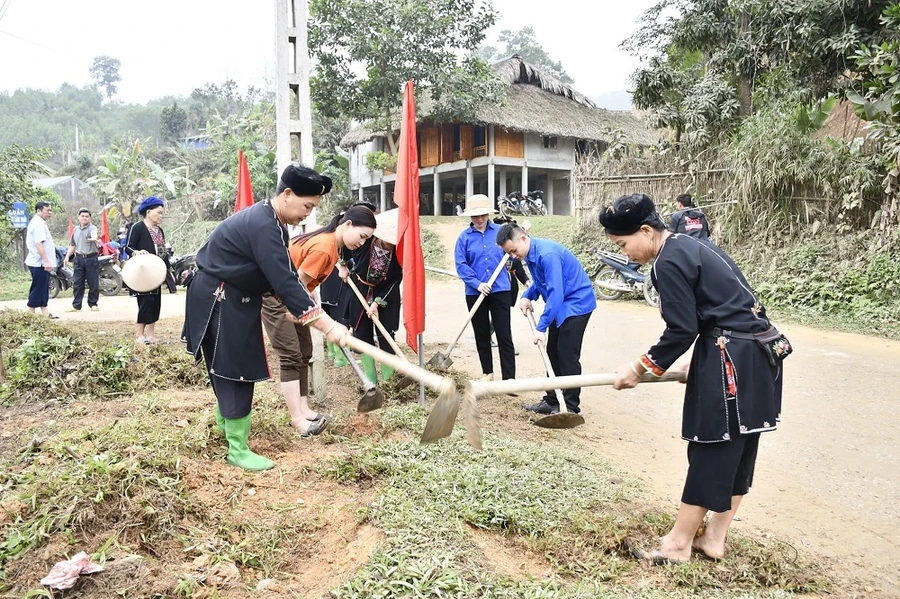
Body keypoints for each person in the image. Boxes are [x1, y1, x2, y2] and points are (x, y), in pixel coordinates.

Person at [599, 193, 786, 564]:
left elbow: (682, 330)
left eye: (624, 244)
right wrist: (695, 366)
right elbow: (727, 309)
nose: (626, 253)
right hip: (761, 353)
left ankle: (678, 545)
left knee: (712, 448)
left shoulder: (667, 262)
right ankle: (714, 537)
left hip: (730, 357)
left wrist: (639, 369)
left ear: (647, 231)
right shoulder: (694, 245)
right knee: (739, 448)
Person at [183, 165, 349, 471]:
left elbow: (278, 276)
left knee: (227, 367)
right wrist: (328, 325)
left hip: (228, 296)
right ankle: (237, 448)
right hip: (221, 297)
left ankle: (227, 429)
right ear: (287, 195)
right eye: (307, 206)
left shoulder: (271, 222)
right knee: (234, 368)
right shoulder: (263, 224)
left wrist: (297, 305)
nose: (308, 215)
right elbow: (285, 280)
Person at [260, 204, 377, 438]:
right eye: (362, 236)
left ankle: (304, 409)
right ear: (348, 225)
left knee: (304, 350)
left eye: (367, 240)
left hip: (293, 296)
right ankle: (297, 420)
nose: (362, 243)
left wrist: (310, 300)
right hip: (275, 295)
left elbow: (302, 279)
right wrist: (303, 309)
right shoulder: (325, 247)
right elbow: (294, 287)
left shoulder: (332, 247)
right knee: (291, 354)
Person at [496, 224, 596, 415]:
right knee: (552, 352)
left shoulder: (547, 254)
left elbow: (555, 294)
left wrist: (540, 328)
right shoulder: (531, 254)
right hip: (561, 304)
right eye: (509, 253)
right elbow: (541, 282)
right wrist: (527, 295)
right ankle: (552, 400)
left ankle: (570, 407)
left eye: (514, 251)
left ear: (523, 239)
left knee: (567, 354)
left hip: (576, 304)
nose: (513, 256)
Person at [454, 194, 516, 382]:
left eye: (483, 215)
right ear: (470, 217)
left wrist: (512, 258)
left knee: (504, 334)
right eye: (475, 216)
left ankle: (509, 378)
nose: (479, 219)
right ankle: (487, 373)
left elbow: (514, 252)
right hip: (475, 292)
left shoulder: (501, 232)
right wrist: (477, 284)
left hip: (500, 290)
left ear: (488, 214)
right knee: (481, 333)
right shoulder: (464, 238)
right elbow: (461, 265)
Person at [345, 208, 403, 383]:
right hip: (360, 289)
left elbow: (395, 279)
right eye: (386, 241)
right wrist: (343, 265)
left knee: (386, 337)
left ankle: (388, 381)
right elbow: (345, 250)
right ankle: (370, 379)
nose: (388, 245)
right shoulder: (363, 241)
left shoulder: (399, 253)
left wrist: (378, 302)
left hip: (385, 294)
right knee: (362, 336)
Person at [126, 197, 170, 345]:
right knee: (145, 301)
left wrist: (167, 269)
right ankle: (139, 335)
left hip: (157, 272)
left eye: (162, 213)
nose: (160, 216)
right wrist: (137, 252)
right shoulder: (137, 227)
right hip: (143, 272)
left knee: (156, 302)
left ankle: (151, 335)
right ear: (148, 212)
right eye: (158, 213)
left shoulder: (159, 230)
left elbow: (163, 252)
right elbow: (128, 247)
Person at [24, 201, 58, 319]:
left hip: (40, 262)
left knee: (44, 286)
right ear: (38, 211)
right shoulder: (38, 224)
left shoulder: (39, 223)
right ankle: (30, 312)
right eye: (47, 210)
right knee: (38, 286)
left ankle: (45, 312)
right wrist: (46, 261)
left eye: (51, 210)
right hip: (39, 262)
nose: (50, 213)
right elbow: (39, 244)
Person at [63, 208, 100, 312]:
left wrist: (94, 238)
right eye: (82, 216)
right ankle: (76, 305)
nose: (84, 218)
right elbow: (72, 245)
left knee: (93, 282)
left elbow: (94, 234)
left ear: (90, 218)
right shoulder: (76, 230)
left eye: (87, 216)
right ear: (78, 217)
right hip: (78, 258)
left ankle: (93, 304)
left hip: (91, 258)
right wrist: (67, 256)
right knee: (77, 283)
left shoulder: (92, 228)